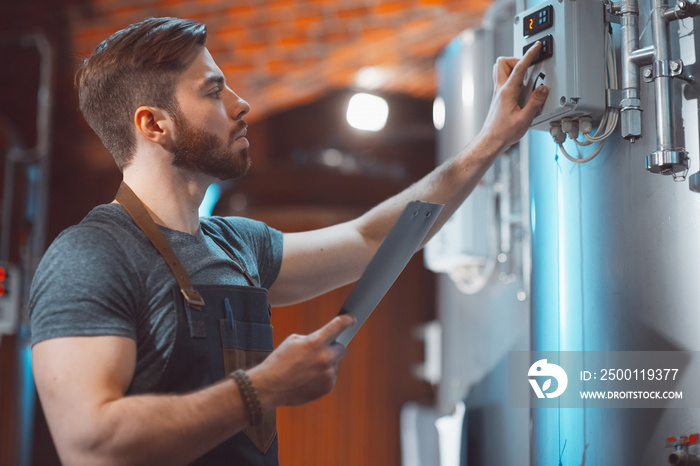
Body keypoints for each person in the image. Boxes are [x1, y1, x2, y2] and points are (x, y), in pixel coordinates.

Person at [29, 17, 548, 466]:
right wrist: (264, 388)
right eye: (213, 91)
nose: (242, 103)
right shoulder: (90, 255)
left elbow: (372, 238)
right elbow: (91, 446)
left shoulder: (237, 246)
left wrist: (490, 141)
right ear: (153, 125)